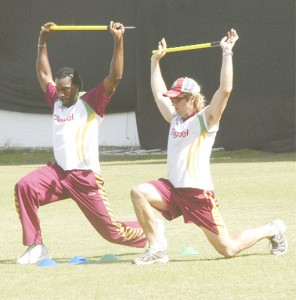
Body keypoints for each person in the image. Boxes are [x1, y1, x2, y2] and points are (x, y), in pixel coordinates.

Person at [130, 29, 288, 265]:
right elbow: (158, 95)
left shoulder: (206, 119)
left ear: (192, 98)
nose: (173, 102)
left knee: (228, 249)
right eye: (172, 99)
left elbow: (225, 90)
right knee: (138, 192)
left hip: (198, 195)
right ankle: (157, 248)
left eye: (178, 98)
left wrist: (227, 53)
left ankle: (273, 229)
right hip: (173, 189)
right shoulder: (175, 118)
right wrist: (155, 61)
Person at [14, 21, 146, 264]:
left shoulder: (91, 103)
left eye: (66, 89)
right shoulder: (55, 100)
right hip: (58, 173)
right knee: (25, 186)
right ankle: (36, 246)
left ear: (77, 87)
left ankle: (151, 231)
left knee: (113, 233)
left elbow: (115, 76)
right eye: (60, 89)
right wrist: (42, 40)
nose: (61, 93)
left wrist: (118, 40)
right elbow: (44, 75)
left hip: (85, 178)